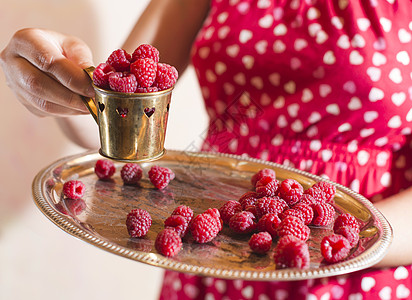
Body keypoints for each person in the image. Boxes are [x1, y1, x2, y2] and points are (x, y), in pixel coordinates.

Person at [1, 0, 412, 299]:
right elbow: (124, 115)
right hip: (219, 246)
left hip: (353, 272)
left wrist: (337, 244)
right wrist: (56, 77)